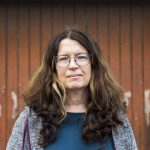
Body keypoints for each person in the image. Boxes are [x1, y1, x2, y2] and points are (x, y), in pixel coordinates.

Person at [6, 26, 137, 150]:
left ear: (94, 64)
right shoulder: (30, 120)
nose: (73, 65)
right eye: (64, 58)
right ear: (53, 68)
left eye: (81, 57)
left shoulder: (116, 118)